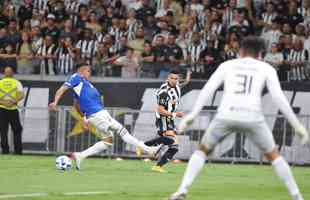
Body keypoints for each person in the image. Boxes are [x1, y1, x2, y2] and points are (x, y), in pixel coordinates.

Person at [168, 36, 309, 200]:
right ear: (260, 54)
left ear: (240, 51)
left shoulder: (227, 65)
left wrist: (192, 115)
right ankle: (297, 197)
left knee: (202, 150)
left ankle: (182, 191)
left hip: (226, 117)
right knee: (274, 156)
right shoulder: (266, 68)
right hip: (253, 119)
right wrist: (297, 125)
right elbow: (279, 98)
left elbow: (208, 89)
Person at [48, 63, 160, 170]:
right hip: (97, 114)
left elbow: (76, 105)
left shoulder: (84, 85)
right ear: (82, 71)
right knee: (122, 131)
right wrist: (55, 102)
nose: (89, 73)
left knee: (108, 141)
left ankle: (80, 155)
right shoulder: (76, 77)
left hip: (97, 114)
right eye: (88, 71)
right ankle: (149, 150)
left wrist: (84, 119)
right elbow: (62, 89)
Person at [137, 69, 191, 173]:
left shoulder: (177, 85)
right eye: (172, 78)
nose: (174, 80)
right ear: (168, 78)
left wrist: (188, 76)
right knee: (171, 141)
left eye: (176, 78)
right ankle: (143, 146)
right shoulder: (164, 93)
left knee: (174, 147)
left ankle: (157, 166)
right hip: (163, 118)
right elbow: (161, 110)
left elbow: (184, 84)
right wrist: (176, 114)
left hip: (169, 119)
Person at [0, 66, 24, 154]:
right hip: (13, 109)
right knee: (17, 130)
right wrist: (13, 101)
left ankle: (5, 150)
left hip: (1, 109)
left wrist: (3, 103)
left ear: (4, 73)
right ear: (12, 73)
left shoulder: (0, 82)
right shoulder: (16, 82)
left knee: (3, 130)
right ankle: (18, 151)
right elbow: (21, 95)